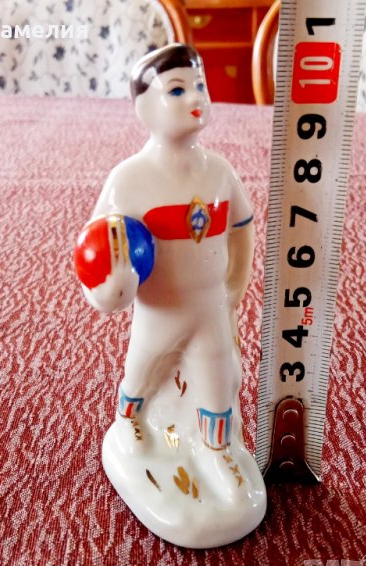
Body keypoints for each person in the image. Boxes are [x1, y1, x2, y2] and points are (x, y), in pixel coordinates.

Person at [85, 44, 255, 500]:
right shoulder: (128, 179)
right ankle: (129, 418)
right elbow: (95, 251)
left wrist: (236, 284)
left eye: (200, 85)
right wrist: (107, 292)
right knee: (143, 367)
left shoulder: (220, 172)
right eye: (176, 89)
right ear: (144, 107)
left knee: (218, 377)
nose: (195, 96)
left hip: (210, 306)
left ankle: (216, 452)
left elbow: (242, 228)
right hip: (160, 307)